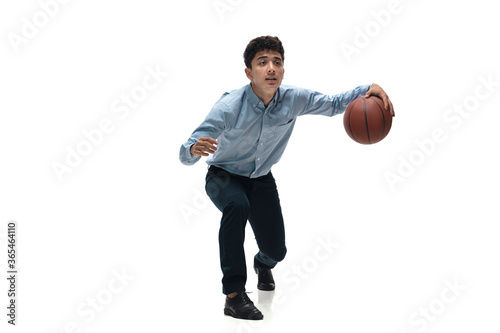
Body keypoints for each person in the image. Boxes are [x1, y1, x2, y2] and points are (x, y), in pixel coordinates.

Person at [179, 35, 394, 320]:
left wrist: (369, 88)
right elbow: (185, 152)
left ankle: (262, 263)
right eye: (262, 62)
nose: (270, 68)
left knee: (276, 250)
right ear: (249, 72)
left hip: (261, 178)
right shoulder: (229, 107)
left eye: (276, 63)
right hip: (223, 176)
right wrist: (193, 149)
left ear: (283, 70)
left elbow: (332, 104)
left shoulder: (294, 99)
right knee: (237, 205)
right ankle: (234, 295)